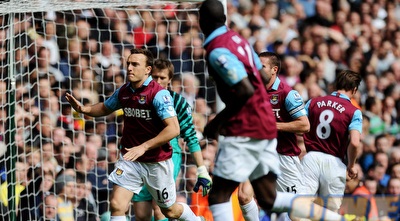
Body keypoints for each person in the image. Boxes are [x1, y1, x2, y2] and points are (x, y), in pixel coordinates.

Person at [198, 0, 349, 220]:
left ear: (202, 21)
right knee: (266, 198)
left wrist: (216, 123)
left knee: (218, 195)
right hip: (263, 127)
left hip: (246, 127)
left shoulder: (218, 49)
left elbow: (244, 90)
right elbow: (255, 76)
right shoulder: (238, 39)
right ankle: (337, 218)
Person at [65, 48, 204, 221]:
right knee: (117, 205)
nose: (129, 68)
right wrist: (84, 109)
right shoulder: (125, 91)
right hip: (131, 158)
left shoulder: (159, 95)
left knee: (169, 211)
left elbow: (174, 129)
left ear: (148, 70)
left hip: (157, 161)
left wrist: (144, 147)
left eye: (135, 64)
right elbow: (105, 107)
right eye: (128, 63)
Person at [132, 59, 212, 221]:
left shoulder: (178, 102)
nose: (158, 81)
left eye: (162, 77)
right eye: (155, 77)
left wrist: (202, 169)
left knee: (160, 207)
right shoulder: (139, 100)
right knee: (141, 214)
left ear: (170, 80)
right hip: (142, 157)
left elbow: (190, 137)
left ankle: (194, 218)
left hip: (169, 155)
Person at [237, 51, 310, 221]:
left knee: (296, 214)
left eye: (261, 66)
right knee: (244, 196)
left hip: (283, 157)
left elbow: (304, 125)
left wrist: (272, 125)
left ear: (274, 70)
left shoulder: (287, 93)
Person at [302, 69, 363, 212]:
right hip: (334, 163)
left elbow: (299, 124)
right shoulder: (353, 111)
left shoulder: (313, 102)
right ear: (354, 90)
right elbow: (354, 142)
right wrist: (352, 165)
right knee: (329, 213)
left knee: (301, 206)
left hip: (311, 158)